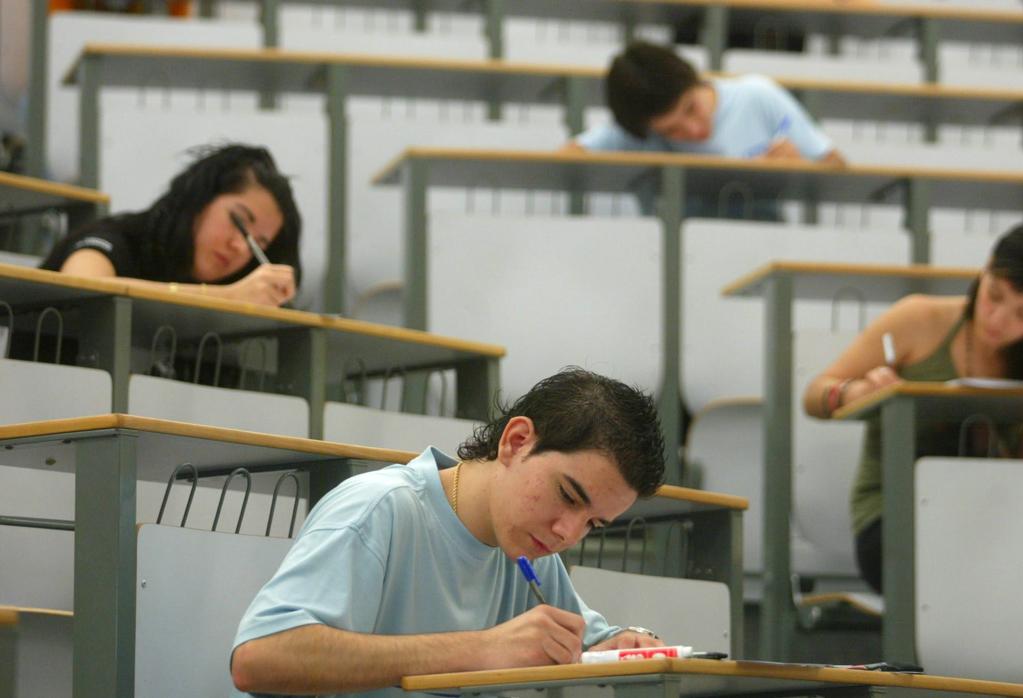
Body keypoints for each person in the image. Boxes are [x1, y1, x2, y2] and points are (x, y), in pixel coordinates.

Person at [230, 367, 668, 697]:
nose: (567, 533)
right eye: (568, 496)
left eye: (593, 524)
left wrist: (621, 643)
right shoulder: (379, 508)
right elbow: (260, 656)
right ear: (516, 442)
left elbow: (591, 643)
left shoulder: (531, 554)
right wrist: (480, 650)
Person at [802, 222, 1023, 594]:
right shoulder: (919, 319)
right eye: (995, 294)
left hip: (989, 517)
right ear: (984, 268)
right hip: (894, 516)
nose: (998, 320)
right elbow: (813, 395)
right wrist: (852, 393)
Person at [40, 143, 300, 307]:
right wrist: (231, 298)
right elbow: (80, 289)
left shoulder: (237, 282)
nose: (241, 248)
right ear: (200, 199)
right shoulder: (118, 238)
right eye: (238, 221)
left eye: (260, 243)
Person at [567, 40, 845, 166]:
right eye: (672, 130)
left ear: (695, 80)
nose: (694, 130)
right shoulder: (635, 130)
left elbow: (835, 166)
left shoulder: (757, 95)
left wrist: (801, 170)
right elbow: (569, 156)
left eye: (691, 108)